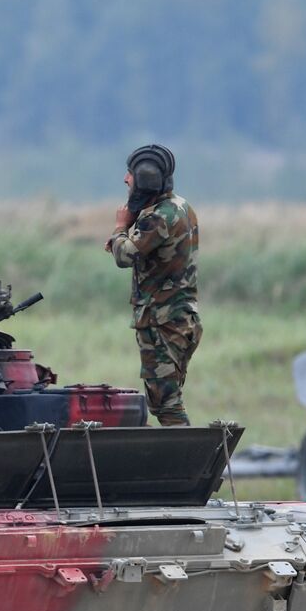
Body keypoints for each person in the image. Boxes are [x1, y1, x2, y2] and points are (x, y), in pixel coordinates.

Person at [103, 144, 202, 426]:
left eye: (131, 175)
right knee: (164, 402)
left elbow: (126, 255)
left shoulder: (158, 216)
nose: (126, 180)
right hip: (179, 319)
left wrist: (120, 227)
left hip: (163, 323)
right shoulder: (180, 206)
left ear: (145, 178)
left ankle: (186, 465)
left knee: (167, 406)